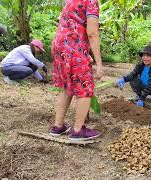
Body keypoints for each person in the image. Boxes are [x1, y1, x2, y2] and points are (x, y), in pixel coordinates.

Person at [50, 0, 103, 141]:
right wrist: (99, 63)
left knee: (66, 87)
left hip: (59, 44)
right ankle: (78, 130)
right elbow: (92, 33)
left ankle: (58, 126)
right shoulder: (91, 1)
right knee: (85, 87)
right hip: (74, 45)